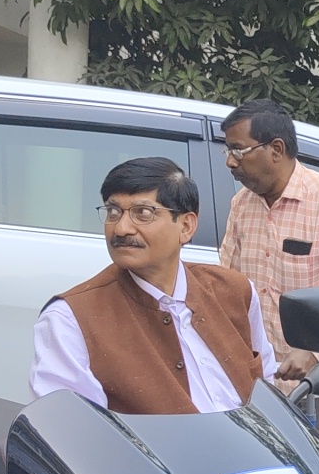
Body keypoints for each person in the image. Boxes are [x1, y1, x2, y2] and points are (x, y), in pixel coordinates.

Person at [32, 157, 276, 413]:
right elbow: (69, 429)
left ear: (186, 225)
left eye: (143, 214)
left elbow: (267, 390)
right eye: (113, 212)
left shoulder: (234, 291)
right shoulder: (71, 318)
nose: (122, 228)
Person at [218, 98, 319, 439]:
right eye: (227, 151)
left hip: (318, 382)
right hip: (257, 380)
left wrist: (316, 352)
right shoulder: (242, 205)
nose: (231, 162)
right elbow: (226, 284)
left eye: (239, 150)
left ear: (275, 148)